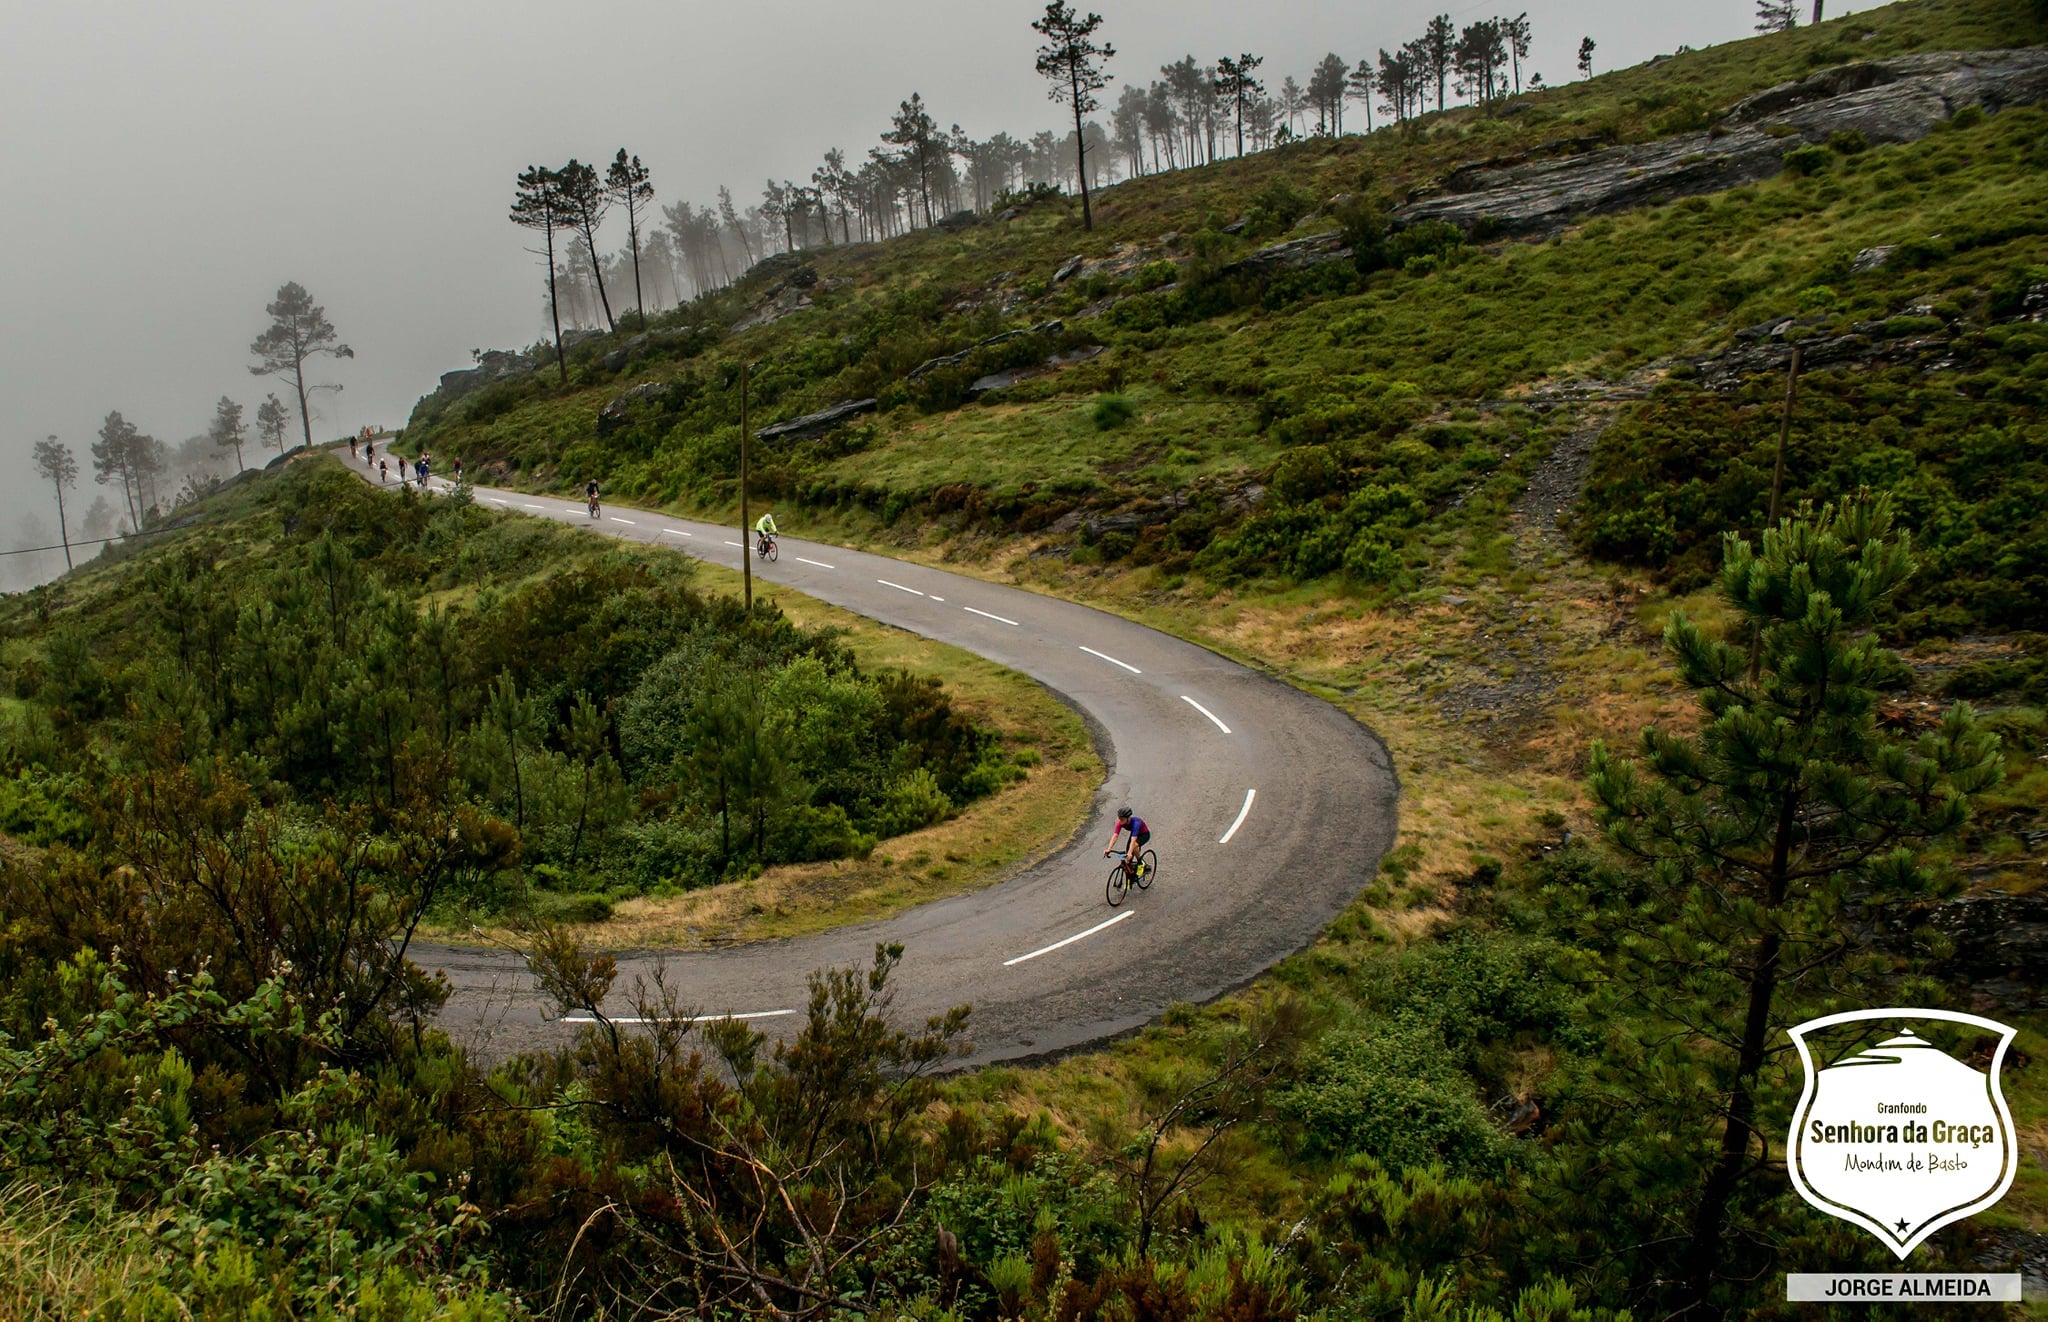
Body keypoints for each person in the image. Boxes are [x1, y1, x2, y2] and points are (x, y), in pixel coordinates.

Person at [1104, 806, 1151, 880]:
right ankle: (1132, 873)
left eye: (1122, 819)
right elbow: (1115, 836)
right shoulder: (1120, 823)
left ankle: (1140, 863)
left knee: (1134, 846)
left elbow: (1133, 839)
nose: (1120, 821)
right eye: (1119, 819)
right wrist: (1109, 849)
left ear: (1128, 818)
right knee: (1128, 857)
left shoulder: (1136, 823)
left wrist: (1130, 852)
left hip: (1144, 835)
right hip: (1134, 834)